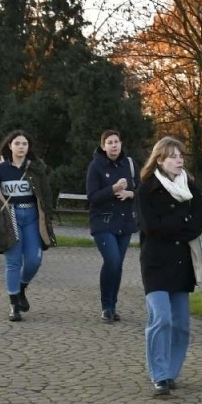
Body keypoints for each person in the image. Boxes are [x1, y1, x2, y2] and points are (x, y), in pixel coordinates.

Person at [136, 136, 202, 396]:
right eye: (173, 156)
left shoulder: (192, 189)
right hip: (155, 263)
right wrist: (181, 222)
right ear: (160, 160)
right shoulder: (146, 189)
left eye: (181, 155)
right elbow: (151, 226)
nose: (179, 160)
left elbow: (197, 224)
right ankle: (159, 375)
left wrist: (176, 224)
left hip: (181, 264)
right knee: (161, 318)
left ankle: (172, 373)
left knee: (181, 325)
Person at [0, 130, 56, 322]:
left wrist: (47, 214)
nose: (21, 147)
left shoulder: (36, 168)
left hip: (32, 216)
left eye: (24, 144)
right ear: (10, 146)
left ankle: (22, 287)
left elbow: (46, 193)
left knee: (34, 260)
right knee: (13, 261)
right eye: (17, 143)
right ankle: (13, 304)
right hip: (9, 218)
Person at [85, 130, 139, 323]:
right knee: (112, 262)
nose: (114, 145)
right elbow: (92, 197)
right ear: (103, 146)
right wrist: (113, 189)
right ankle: (106, 306)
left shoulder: (129, 164)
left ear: (121, 144)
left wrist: (130, 194)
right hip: (103, 222)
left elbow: (140, 189)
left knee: (118, 266)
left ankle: (113, 306)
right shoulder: (96, 166)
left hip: (125, 222)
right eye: (110, 142)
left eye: (116, 141)